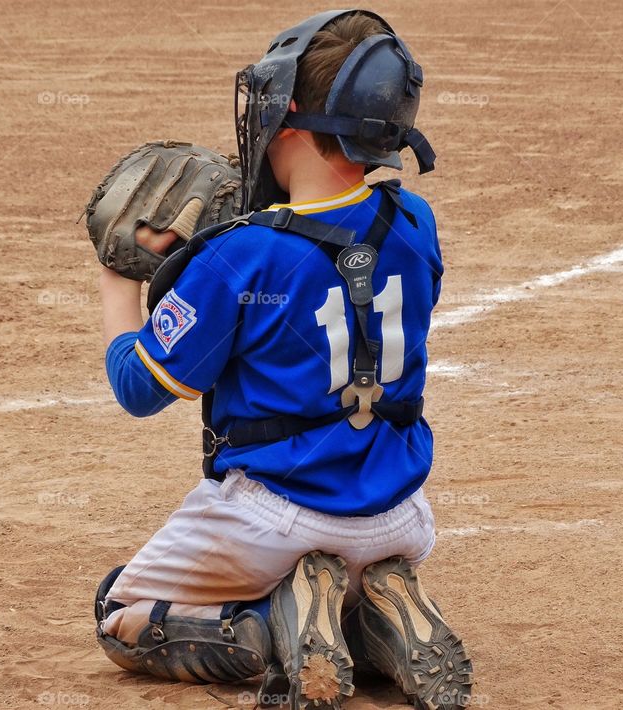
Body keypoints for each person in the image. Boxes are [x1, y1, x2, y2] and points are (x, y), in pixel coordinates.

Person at [93, 10, 472, 710]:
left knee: (121, 618)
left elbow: (137, 386)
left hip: (275, 518)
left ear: (290, 120)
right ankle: (375, 618)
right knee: (352, 553)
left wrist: (123, 275)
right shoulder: (416, 222)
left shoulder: (242, 254)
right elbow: (336, 264)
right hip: (399, 514)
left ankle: (281, 620)